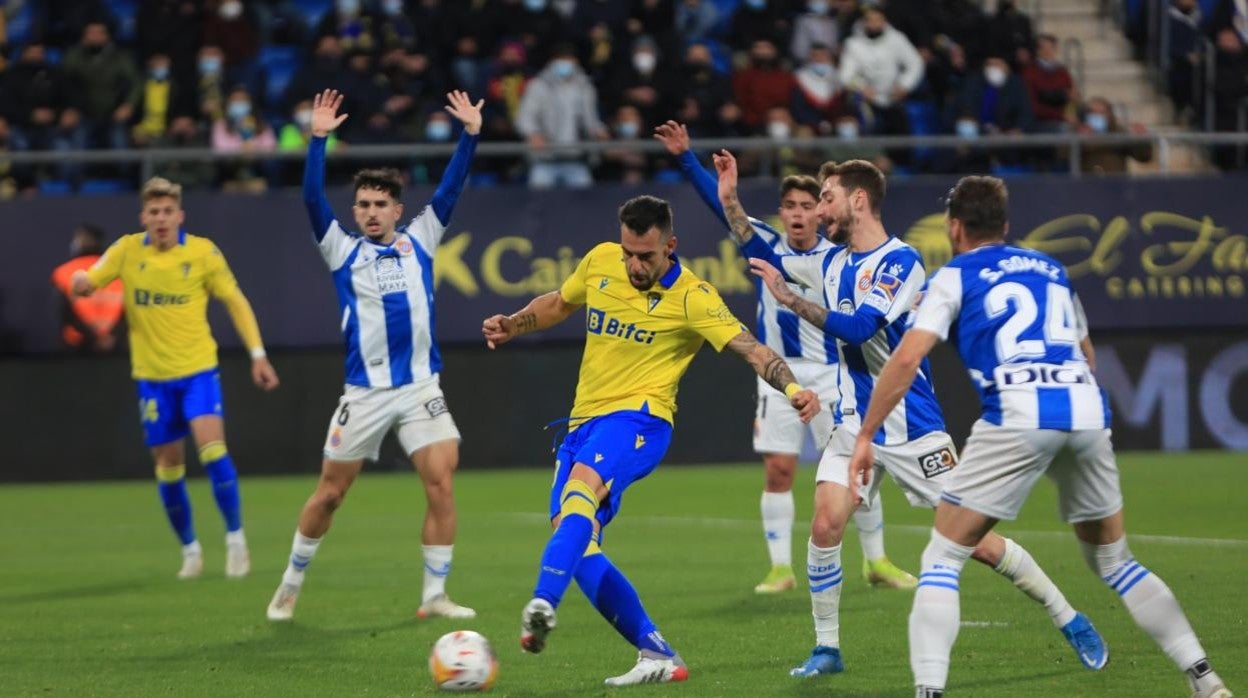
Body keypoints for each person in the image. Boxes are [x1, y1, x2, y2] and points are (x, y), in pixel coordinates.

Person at [716, 155, 1106, 678]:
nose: (818, 211)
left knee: (979, 544)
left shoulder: (901, 263)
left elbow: (860, 329)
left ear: (858, 200)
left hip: (912, 426)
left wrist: (791, 300)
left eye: (827, 198)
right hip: (853, 424)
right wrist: (724, 195)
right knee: (827, 523)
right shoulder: (828, 262)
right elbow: (759, 246)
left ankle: (1069, 617)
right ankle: (827, 648)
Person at [849, 176, 1232, 698]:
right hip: (1085, 411)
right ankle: (1205, 680)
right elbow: (1086, 355)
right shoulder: (1052, 270)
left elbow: (908, 356)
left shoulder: (955, 275)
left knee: (942, 557)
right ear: (1005, 226)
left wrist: (867, 433)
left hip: (1017, 411)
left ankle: (928, 690)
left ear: (953, 226)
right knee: (1115, 561)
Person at [481, 195, 820, 686]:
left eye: (646, 256)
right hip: (582, 424)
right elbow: (558, 303)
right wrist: (515, 324)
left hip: (641, 420)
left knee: (580, 492)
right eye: (629, 254)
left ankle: (542, 601)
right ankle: (656, 652)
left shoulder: (693, 296)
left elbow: (751, 348)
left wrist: (792, 388)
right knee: (577, 540)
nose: (635, 265)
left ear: (671, 246)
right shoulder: (600, 261)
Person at [654, 120, 915, 594]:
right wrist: (688, 161)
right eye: (789, 206)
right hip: (779, 375)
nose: (798, 214)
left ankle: (877, 561)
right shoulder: (769, 249)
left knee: (857, 466)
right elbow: (723, 210)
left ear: (822, 211)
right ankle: (779, 568)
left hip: (836, 376)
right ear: (780, 212)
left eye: (807, 205)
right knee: (779, 469)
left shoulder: (836, 257)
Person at [265, 88, 483, 623]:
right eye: (362, 204)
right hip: (364, 394)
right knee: (330, 496)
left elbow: (452, 189)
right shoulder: (342, 249)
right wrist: (317, 141)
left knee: (442, 479)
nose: (369, 212)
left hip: (419, 389)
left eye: (380, 204)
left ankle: (433, 596)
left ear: (397, 210)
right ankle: (291, 582)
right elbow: (312, 200)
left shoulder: (423, 239)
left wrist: (471, 135)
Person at [70, 176, 279, 579]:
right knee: (168, 466)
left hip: (198, 371)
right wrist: (83, 283)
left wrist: (258, 355)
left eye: (168, 211)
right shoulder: (128, 250)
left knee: (213, 449)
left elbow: (236, 302)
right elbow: (92, 278)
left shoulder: (202, 253)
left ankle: (236, 540)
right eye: (154, 212)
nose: (161, 219)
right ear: (143, 217)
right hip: (152, 378)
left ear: (180, 215)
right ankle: (190, 550)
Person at [51, 224, 123, 353]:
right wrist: (111, 337)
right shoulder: (117, 271)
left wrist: (93, 337)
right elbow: (129, 309)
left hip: (78, 346)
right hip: (115, 343)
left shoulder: (64, 272)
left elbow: (64, 312)